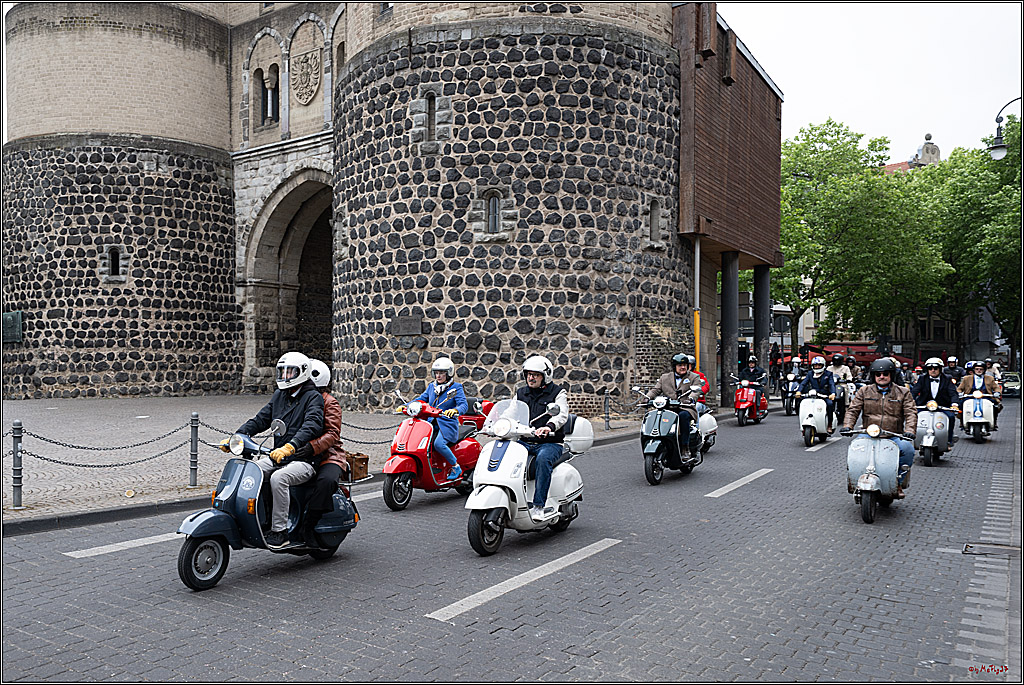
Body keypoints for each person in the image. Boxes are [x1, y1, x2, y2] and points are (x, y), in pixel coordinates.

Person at [221, 351, 324, 549]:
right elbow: (261, 420)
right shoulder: (280, 395)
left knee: (279, 479)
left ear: (302, 372)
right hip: (278, 455)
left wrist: (291, 446)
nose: (285, 377)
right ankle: (259, 519)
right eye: (282, 372)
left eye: (289, 372)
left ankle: (280, 531)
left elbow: (312, 425)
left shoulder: (313, 398)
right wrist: (237, 437)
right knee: (252, 471)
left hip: (304, 460)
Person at [843, 358, 917, 498]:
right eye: (878, 374)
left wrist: (909, 431)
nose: (881, 377)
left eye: (885, 374)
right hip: (868, 433)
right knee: (854, 449)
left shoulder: (903, 392)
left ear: (891, 375)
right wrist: (847, 426)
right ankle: (856, 479)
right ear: (874, 376)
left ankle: (898, 482)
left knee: (907, 449)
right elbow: (853, 410)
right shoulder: (864, 391)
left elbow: (911, 412)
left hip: (894, 434)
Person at [301, 359, 351, 537]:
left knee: (326, 481)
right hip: (304, 453)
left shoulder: (330, 403)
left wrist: (312, 447)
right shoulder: (301, 399)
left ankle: (309, 526)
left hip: (329, 455)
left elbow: (332, 434)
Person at [517, 355, 570, 520]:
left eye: (536, 374)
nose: (531, 378)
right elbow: (511, 411)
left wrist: (549, 426)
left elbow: (561, 414)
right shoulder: (521, 393)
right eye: (528, 374)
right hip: (525, 440)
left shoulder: (557, 392)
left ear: (545, 376)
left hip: (549, 442)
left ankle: (539, 506)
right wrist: (496, 424)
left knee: (543, 459)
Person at [413, 356, 469, 481]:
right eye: (436, 373)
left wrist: (455, 410)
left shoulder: (456, 387)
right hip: (430, 423)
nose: (438, 376)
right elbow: (421, 399)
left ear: (449, 373)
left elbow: (463, 405)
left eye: (442, 373)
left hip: (447, 424)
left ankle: (455, 466)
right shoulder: (432, 387)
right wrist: (407, 406)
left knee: (438, 444)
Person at [911, 357, 960, 446]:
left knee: (951, 417)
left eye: (935, 368)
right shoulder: (922, 378)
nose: (933, 370)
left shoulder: (947, 378)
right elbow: (914, 391)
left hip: (943, 406)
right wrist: (910, 402)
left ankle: (949, 440)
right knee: (913, 417)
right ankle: (914, 437)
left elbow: (953, 393)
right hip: (924, 406)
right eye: (930, 368)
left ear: (940, 369)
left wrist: (954, 404)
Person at [796, 355, 838, 434]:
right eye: (815, 365)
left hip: (824, 395)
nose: (817, 367)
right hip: (812, 394)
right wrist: (799, 391)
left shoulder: (828, 374)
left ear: (823, 365)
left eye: (819, 365)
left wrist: (832, 393)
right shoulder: (810, 374)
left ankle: (829, 424)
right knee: (801, 403)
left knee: (829, 404)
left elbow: (831, 384)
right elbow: (803, 383)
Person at [958, 361, 1002, 431]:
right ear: (974, 370)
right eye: (977, 369)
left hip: (986, 396)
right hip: (969, 396)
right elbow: (960, 388)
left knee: (995, 405)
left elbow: (996, 387)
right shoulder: (966, 378)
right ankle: (962, 422)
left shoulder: (990, 378)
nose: (979, 371)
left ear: (984, 370)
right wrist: (959, 393)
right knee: (960, 405)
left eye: (981, 369)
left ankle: (994, 421)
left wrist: (997, 392)